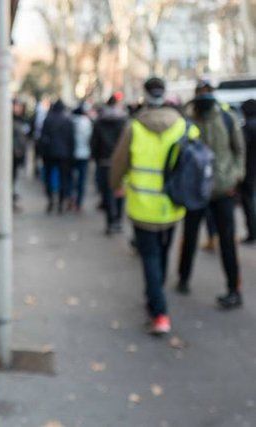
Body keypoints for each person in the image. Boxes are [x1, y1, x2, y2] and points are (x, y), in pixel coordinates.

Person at [111, 77, 195, 335]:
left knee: (150, 258)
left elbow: (119, 163)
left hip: (142, 206)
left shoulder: (134, 127)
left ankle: (159, 312)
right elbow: (197, 159)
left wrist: (116, 186)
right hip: (172, 206)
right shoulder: (183, 127)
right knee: (162, 253)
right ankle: (155, 296)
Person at [176, 80, 245, 309]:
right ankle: (183, 278)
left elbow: (239, 151)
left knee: (227, 241)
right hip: (196, 192)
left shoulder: (227, 120)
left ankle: (233, 289)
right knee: (190, 236)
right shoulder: (188, 122)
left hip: (222, 190)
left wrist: (235, 176)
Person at [92, 95, 127, 234]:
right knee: (119, 192)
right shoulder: (124, 121)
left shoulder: (99, 121)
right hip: (120, 163)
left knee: (107, 193)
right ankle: (118, 219)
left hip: (104, 162)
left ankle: (110, 221)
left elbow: (94, 143)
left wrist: (96, 157)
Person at [41, 100, 75, 214]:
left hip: (49, 154)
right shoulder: (67, 120)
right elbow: (71, 140)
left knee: (48, 178)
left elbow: (42, 137)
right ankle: (60, 202)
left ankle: (51, 200)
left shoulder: (48, 119)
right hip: (64, 155)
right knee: (63, 179)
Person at [71, 102, 93, 211]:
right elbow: (90, 138)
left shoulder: (71, 121)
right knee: (81, 179)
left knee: (72, 178)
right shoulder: (86, 122)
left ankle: (71, 199)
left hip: (72, 154)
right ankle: (79, 202)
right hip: (84, 154)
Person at [240, 99, 256, 243]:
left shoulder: (246, 128)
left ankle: (252, 233)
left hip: (249, 171)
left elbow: (241, 150)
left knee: (249, 202)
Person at [12, 99, 30, 208]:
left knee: (15, 176)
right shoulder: (11, 121)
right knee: (12, 176)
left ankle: (12, 196)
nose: (18, 108)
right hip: (13, 154)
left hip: (18, 154)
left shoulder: (22, 120)